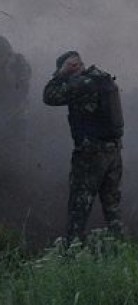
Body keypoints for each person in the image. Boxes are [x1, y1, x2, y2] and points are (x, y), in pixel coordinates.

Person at [43, 51, 124, 242]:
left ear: (72, 67)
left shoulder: (82, 84)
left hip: (91, 155)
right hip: (113, 152)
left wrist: (60, 74)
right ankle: (121, 250)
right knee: (112, 209)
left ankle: (71, 256)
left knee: (78, 209)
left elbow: (49, 97)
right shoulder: (104, 79)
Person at [0, 36, 32, 168]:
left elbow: (21, 90)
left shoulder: (18, 64)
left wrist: (7, 69)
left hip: (15, 113)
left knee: (14, 150)